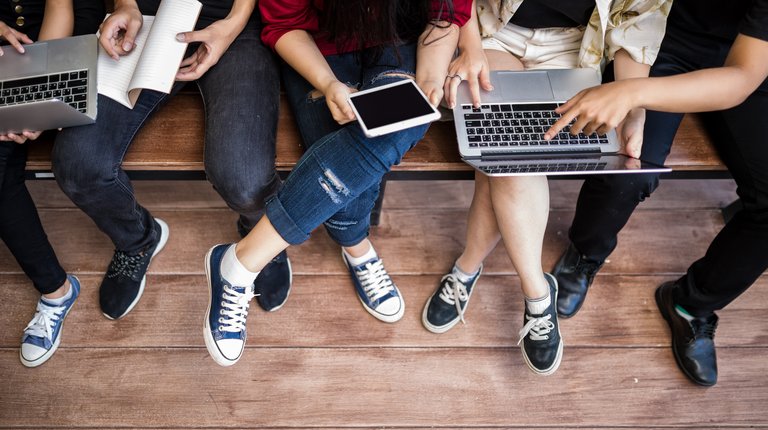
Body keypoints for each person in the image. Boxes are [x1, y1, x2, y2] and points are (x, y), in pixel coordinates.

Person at [202, 0, 471, 366]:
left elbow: (447, 12)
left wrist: (427, 81)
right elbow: (285, 23)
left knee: (396, 125)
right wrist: (328, 83)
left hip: (405, 39)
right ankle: (356, 247)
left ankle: (242, 262)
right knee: (343, 182)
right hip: (316, 48)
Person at [421, 0, 670, 375]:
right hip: (493, 33)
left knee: (506, 157)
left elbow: (638, 20)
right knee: (508, 148)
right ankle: (537, 292)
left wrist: (634, 106)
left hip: (574, 47)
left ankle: (467, 268)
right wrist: (470, 47)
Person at [544, 0, 768, 386]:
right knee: (628, 168)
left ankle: (690, 305)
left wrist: (631, 95)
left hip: (745, 59)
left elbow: (743, 76)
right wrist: (631, 95)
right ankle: (585, 254)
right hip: (658, 34)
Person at [52, 0, 291, 321]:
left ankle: (262, 236)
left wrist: (233, 23)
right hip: (148, 15)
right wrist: (125, 5)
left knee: (244, 178)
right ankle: (137, 240)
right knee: (78, 165)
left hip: (233, 21)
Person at [1, 0, 104, 367]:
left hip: (57, 39)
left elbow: (61, 8)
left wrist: (33, 96)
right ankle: (56, 290)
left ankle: (56, 292)